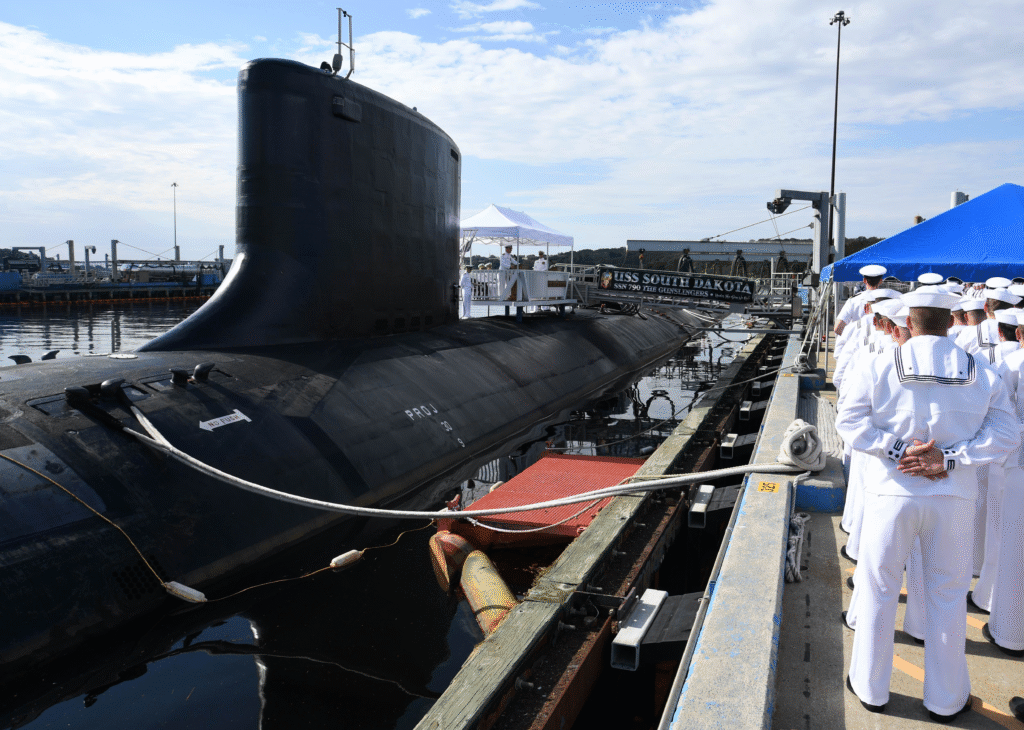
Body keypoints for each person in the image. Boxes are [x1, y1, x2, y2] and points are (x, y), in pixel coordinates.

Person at [835, 288, 1018, 720]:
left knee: (879, 588)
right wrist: (949, 457)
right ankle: (945, 699)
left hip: (891, 493)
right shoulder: (981, 370)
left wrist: (899, 450)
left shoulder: (879, 365)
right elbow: (1007, 433)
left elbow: (850, 421)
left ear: (909, 321)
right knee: (948, 595)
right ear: (951, 321)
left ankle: (871, 688)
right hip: (953, 497)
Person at [834, 265, 887, 336]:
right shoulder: (887, 299)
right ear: (881, 281)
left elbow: (837, 328)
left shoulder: (853, 301)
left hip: (859, 341)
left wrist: (852, 337)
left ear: (864, 280)